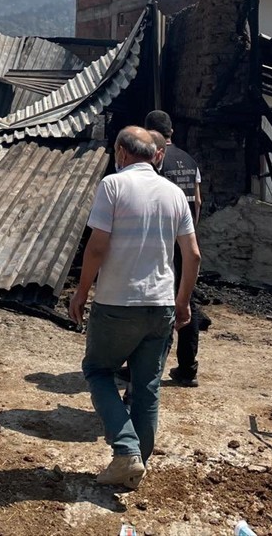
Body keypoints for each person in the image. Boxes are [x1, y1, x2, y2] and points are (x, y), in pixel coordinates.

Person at [69, 126, 200, 489]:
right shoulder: (174, 194)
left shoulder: (113, 185)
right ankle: (136, 465)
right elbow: (192, 254)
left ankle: (126, 452)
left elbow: (96, 248)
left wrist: (81, 292)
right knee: (147, 387)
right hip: (160, 305)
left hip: (117, 302)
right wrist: (183, 300)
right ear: (154, 154)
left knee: (98, 371)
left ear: (121, 153)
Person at [144, 110, 203, 388]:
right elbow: (198, 202)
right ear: (172, 132)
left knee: (154, 301)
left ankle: (142, 367)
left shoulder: (155, 161)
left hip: (161, 241)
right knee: (186, 297)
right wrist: (191, 233)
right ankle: (187, 368)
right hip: (185, 239)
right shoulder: (190, 161)